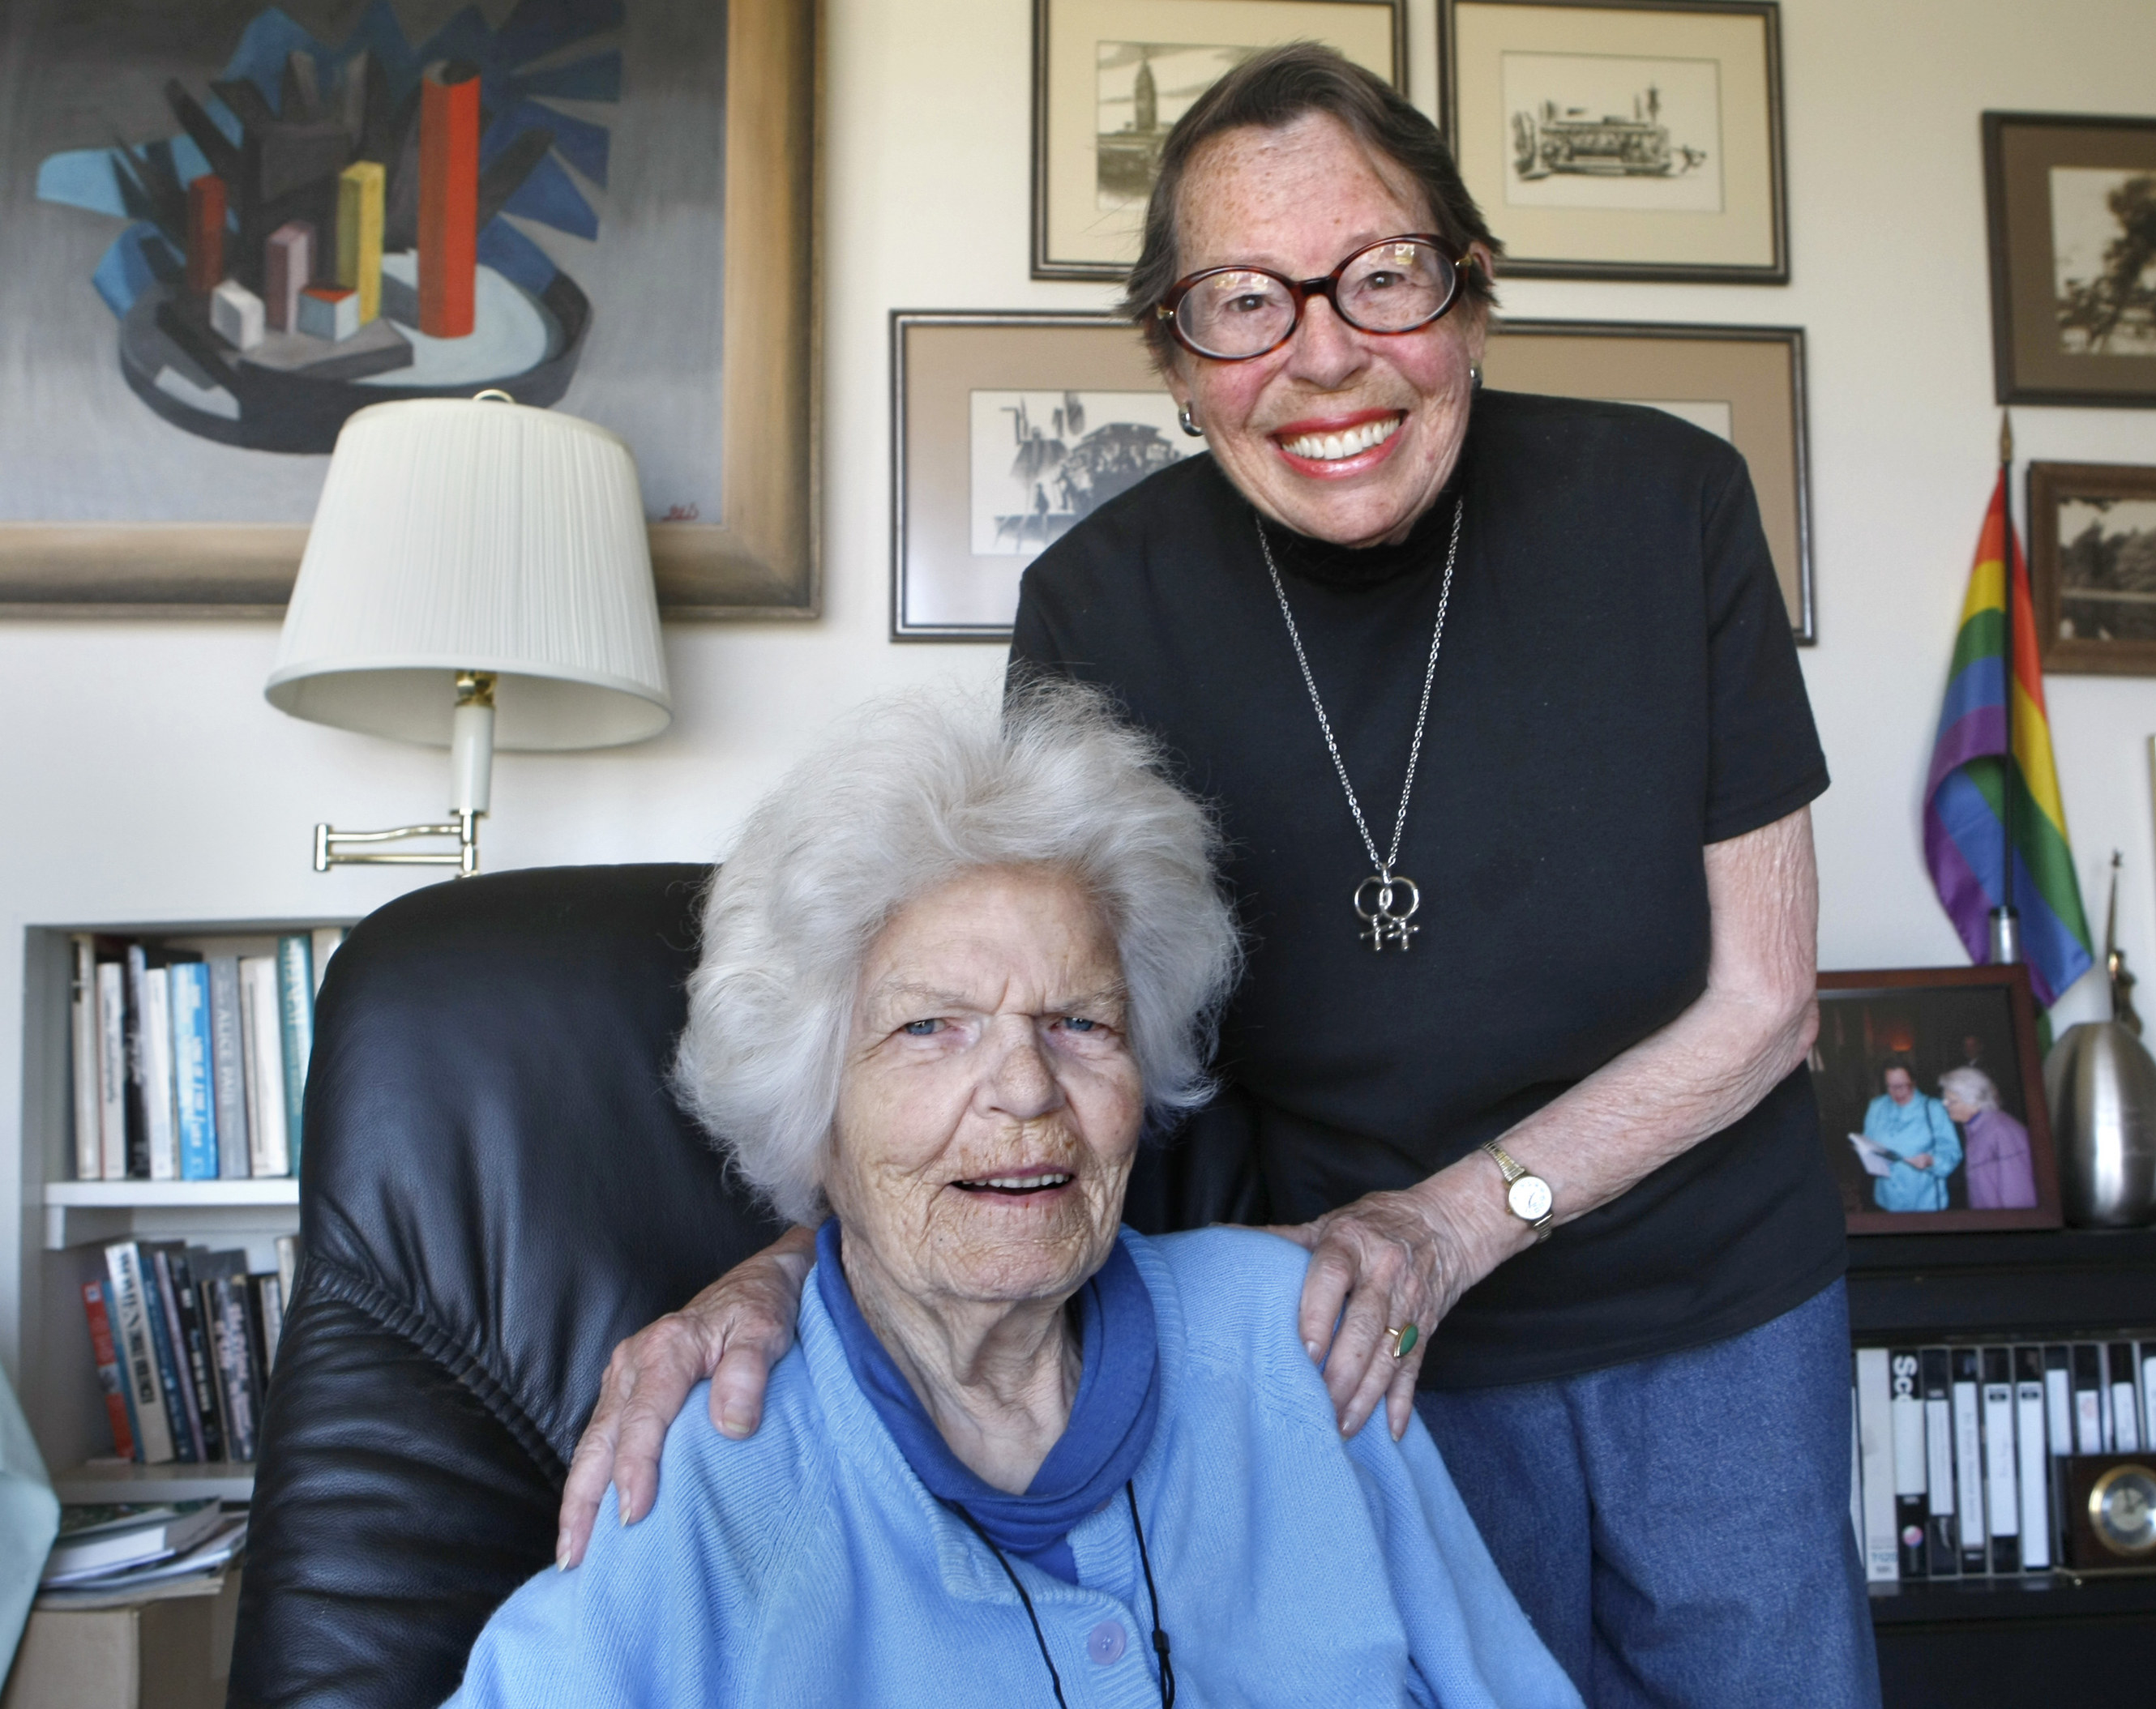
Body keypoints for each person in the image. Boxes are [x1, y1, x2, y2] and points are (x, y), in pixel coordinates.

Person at [561, 46, 1873, 1707]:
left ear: (1470, 295)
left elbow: (1764, 1001)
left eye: (1384, 279)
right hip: (1337, 1335)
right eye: (1244, 302)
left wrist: (1454, 1222)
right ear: (1177, 358)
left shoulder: (1668, 503)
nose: (1326, 356)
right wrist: (777, 1282)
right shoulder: (1102, 604)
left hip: (1716, 1311)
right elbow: (1015, 1015)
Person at [447, 690, 1577, 1707]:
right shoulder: (724, 1466)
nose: (1029, 1088)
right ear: (814, 1109)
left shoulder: (1304, 1339)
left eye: (1081, 1023)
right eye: (932, 1027)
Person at [1864, 1062, 1960, 1213]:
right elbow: (1868, 1144)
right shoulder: (1877, 1106)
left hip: (1924, 1200)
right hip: (1887, 1198)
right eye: (1890, 1086)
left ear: (1914, 1082)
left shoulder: (1933, 1108)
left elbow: (1952, 1152)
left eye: (1902, 1086)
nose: (1897, 1092)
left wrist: (1931, 1161)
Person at [1939, 1066, 2036, 1209]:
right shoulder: (1976, 1128)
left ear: (1973, 1100)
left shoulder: (2001, 1131)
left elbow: (2018, 1196)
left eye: (1951, 1101)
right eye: (1945, 1100)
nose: (1945, 1105)